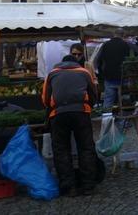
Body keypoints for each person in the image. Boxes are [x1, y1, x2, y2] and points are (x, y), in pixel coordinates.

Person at [42, 55, 98, 196]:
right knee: (86, 148)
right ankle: (88, 186)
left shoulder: (52, 74)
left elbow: (45, 99)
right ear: (75, 63)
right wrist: (87, 107)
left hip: (58, 114)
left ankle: (69, 187)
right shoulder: (84, 72)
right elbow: (93, 95)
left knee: (61, 150)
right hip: (81, 112)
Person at [95, 29, 130, 108]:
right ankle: (122, 119)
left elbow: (98, 60)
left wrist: (102, 74)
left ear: (113, 34)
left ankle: (107, 119)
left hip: (109, 77)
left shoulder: (106, 45)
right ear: (123, 35)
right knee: (124, 101)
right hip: (123, 77)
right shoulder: (126, 45)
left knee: (108, 100)